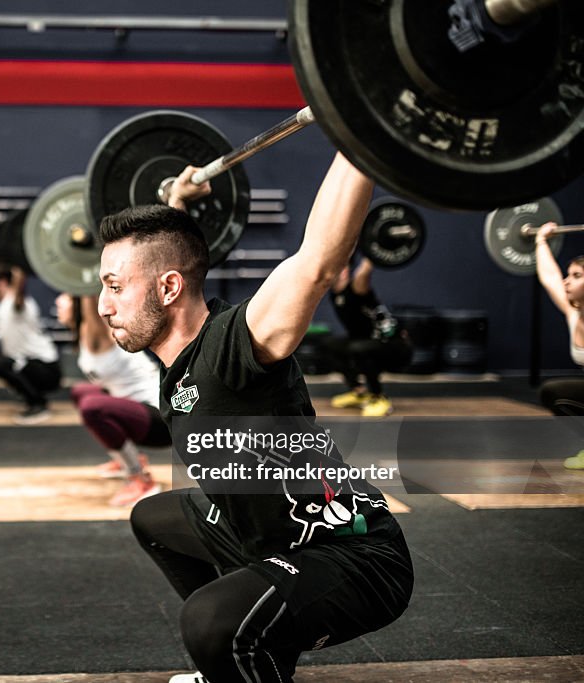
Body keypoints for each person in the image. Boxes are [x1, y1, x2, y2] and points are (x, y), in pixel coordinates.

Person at [97, 153, 413, 683]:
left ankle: (233, 642)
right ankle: (248, 654)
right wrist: (177, 203)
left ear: (169, 289)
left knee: (207, 620)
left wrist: (358, 140)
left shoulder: (235, 344)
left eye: (113, 286)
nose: (104, 305)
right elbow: (167, 254)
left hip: (352, 557)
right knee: (154, 520)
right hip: (269, 538)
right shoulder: (178, 356)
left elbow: (316, 263)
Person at [55, 292, 170, 507]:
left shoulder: (97, 331)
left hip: (162, 421)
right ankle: (124, 459)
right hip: (138, 412)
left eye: (66, 298)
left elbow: (86, 288)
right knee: (82, 392)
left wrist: (85, 287)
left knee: (93, 407)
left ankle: (141, 480)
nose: (58, 303)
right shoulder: (84, 332)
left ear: (80, 303)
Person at [324, 256, 412, 417]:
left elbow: (364, 272)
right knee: (330, 345)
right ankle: (359, 392)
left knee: (359, 349)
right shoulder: (334, 294)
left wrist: (372, 251)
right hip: (368, 342)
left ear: (344, 272)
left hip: (396, 345)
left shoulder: (357, 286)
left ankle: (378, 397)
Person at [0, 263, 62, 425]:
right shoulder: (5, 306)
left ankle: (39, 405)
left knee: (0, 363)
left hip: (47, 370)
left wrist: (18, 278)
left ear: (2, 283)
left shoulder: (17, 304)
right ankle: (33, 399)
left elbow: (18, 299)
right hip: (33, 366)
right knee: (2, 362)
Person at [534, 223, 584, 470]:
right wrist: (541, 240)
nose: (566, 281)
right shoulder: (574, 314)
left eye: (577, 276)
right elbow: (550, 277)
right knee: (554, 392)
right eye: (569, 274)